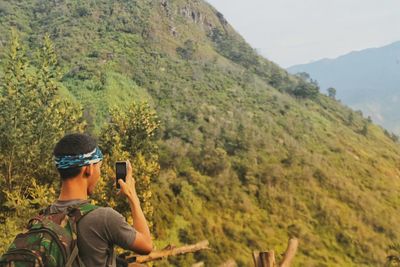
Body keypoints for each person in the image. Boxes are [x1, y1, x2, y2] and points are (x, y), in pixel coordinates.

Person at [51, 133, 153, 266]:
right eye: (99, 166)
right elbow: (146, 245)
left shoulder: (44, 217)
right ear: (89, 169)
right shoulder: (104, 218)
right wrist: (132, 196)